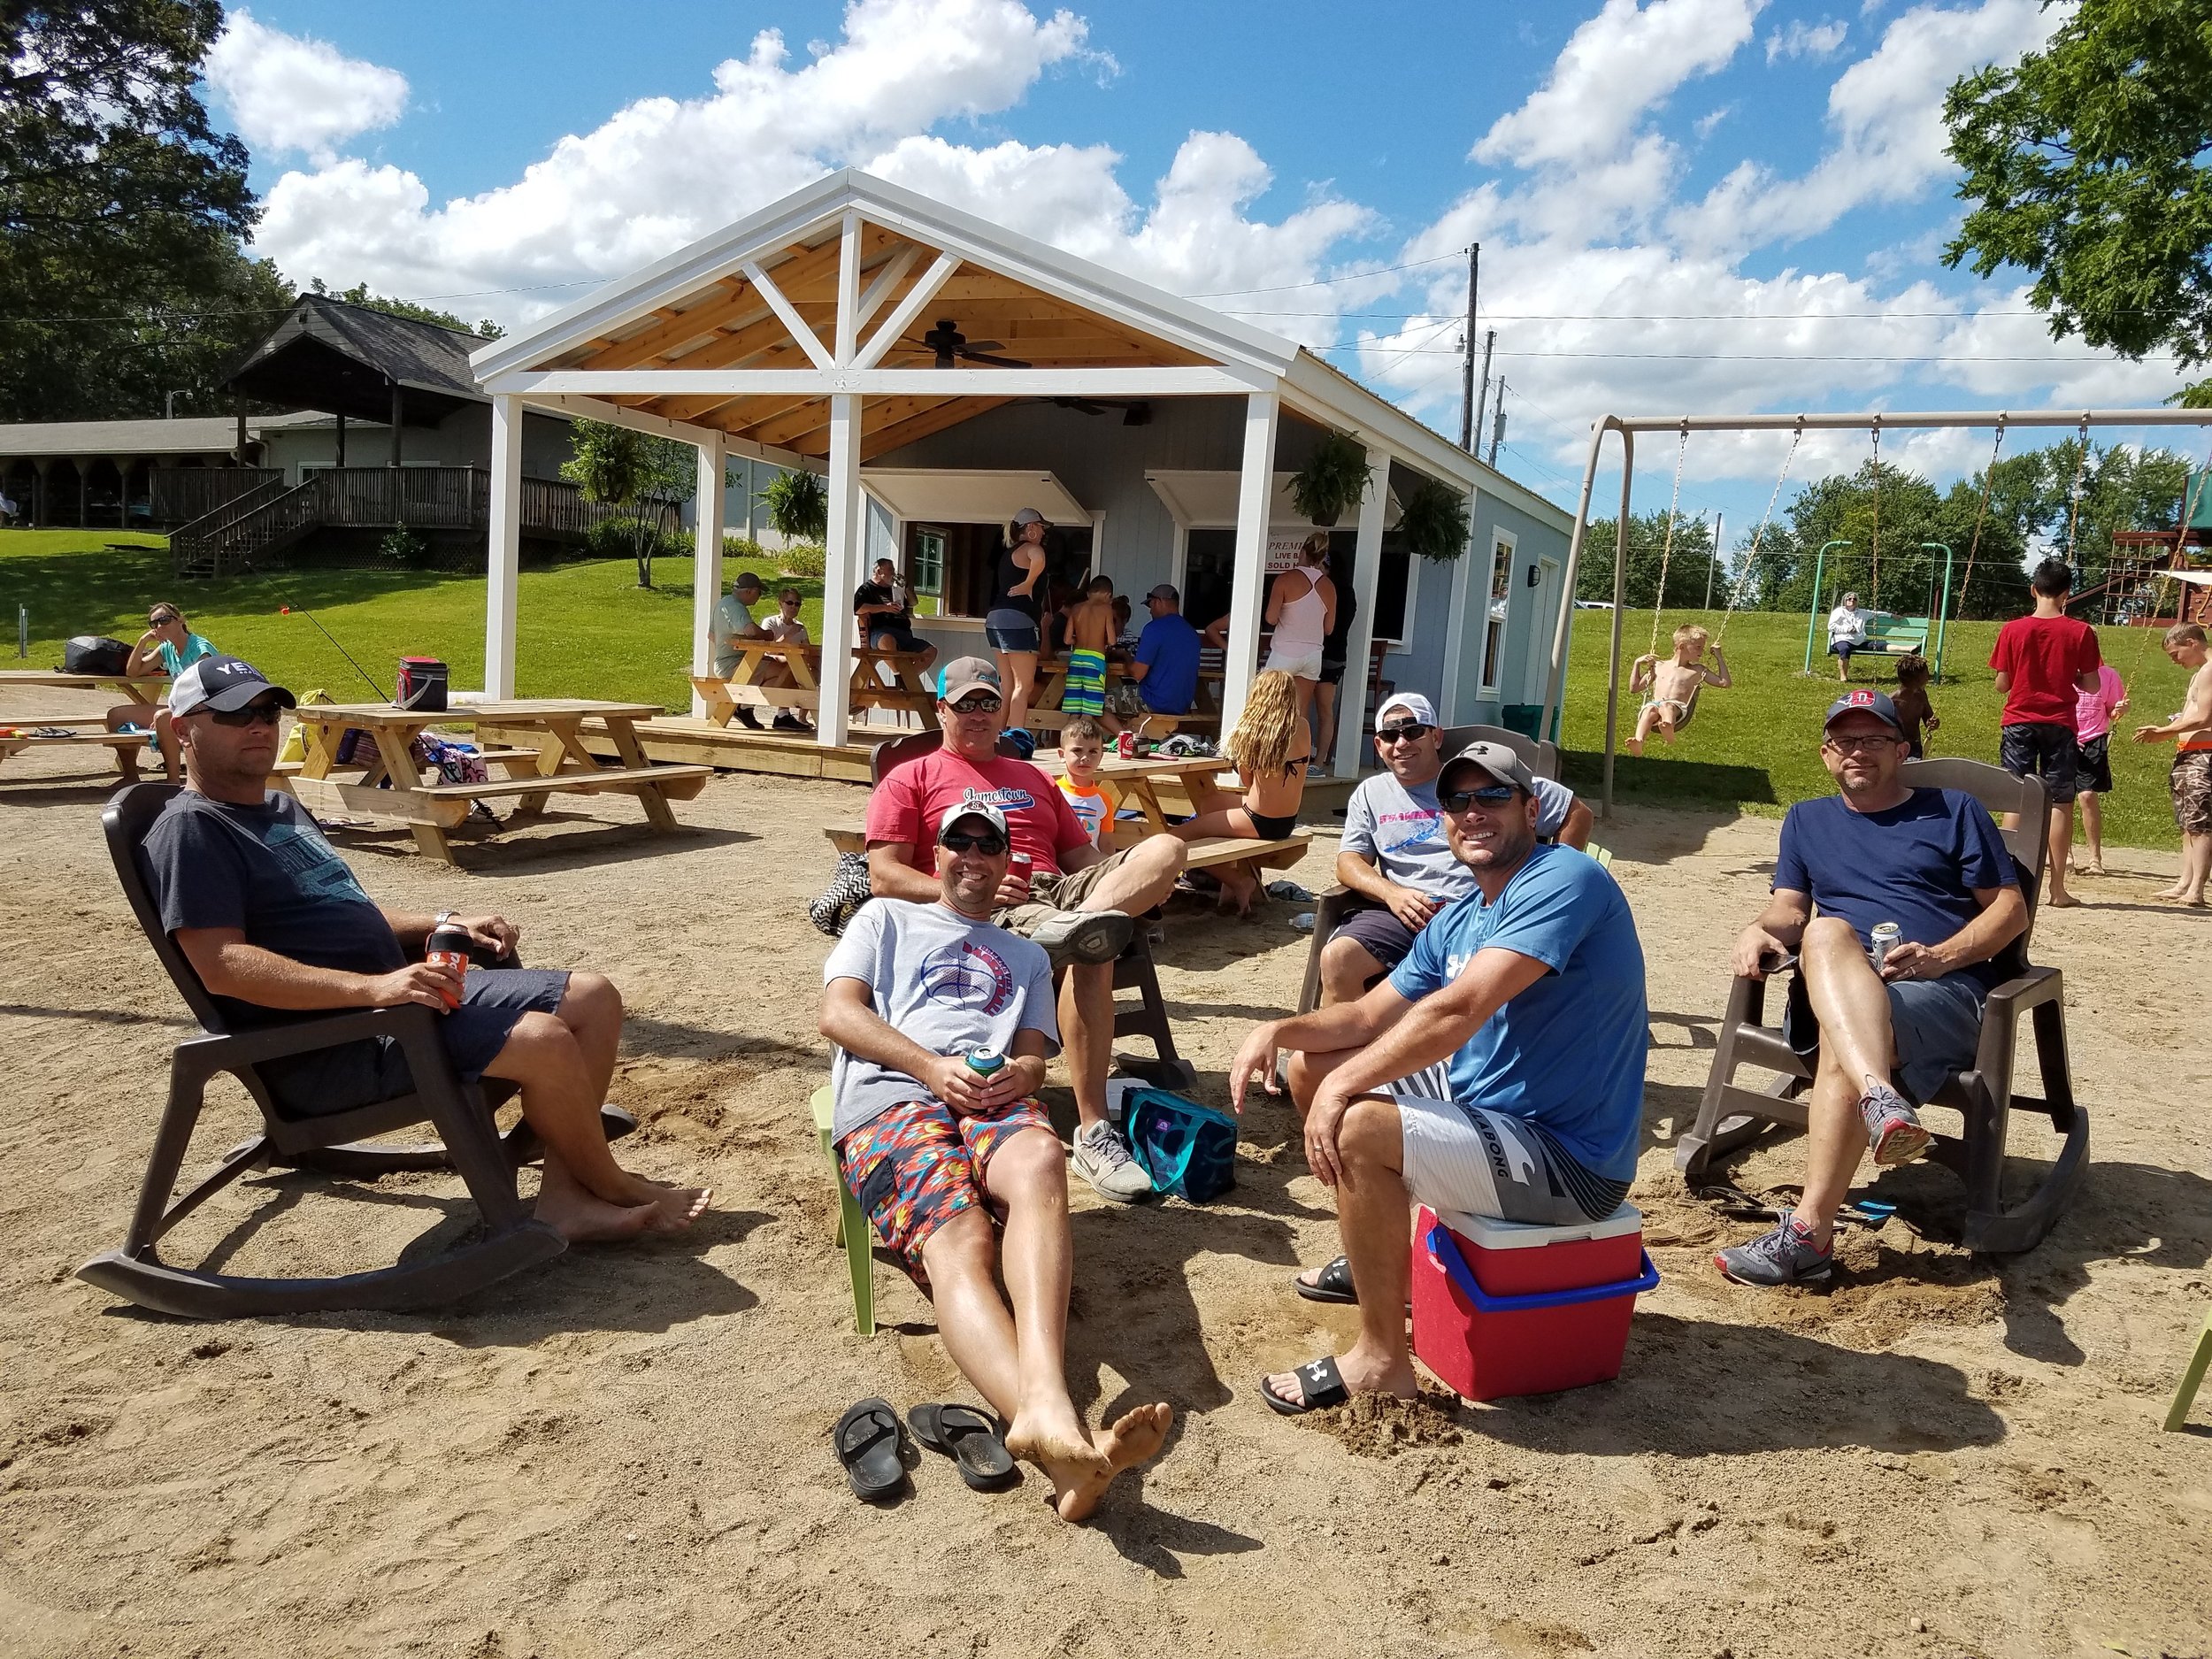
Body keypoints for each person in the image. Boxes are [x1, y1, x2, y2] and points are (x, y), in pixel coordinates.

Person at [139, 656, 709, 1242]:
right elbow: (222, 966)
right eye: (235, 713)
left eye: (266, 710)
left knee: (593, 996)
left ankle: (565, 1197)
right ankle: (613, 1183)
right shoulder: (192, 829)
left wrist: (443, 920)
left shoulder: (278, 808)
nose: (258, 725)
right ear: (183, 729)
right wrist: (376, 988)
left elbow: (343, 912)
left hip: (398, 1004)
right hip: (338, 1044)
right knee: (544, 1040)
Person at [1225, 740, 1647, 1412]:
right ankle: (1384, 1274)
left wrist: (1342, 1089)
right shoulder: (1461, 915)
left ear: (1532, 809)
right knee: (1315, 1065)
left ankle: (1381, 1361)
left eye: (1491, 797)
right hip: (1498, 1118)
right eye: (1457, 800)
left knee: (1357, 1122)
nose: (1472, 812)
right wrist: (1275, 1031)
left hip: (1570, 1158)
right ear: (1441, 817)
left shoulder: (1564, 876)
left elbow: (1459, 1008)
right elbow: (1365, 1015)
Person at [820, 802, 1172, 1518]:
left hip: (991, 1095)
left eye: (990, 844)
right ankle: (1061, 1435)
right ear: (937, 854)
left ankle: (1045, 1408)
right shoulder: (884, 918)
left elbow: (1036, 1054)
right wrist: (927, 1065)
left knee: (1043, 1156)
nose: (973, 855)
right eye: (959, 842)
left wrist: (1023, 1073)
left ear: (1010, 861)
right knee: (964, 1236)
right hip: (895, 1095)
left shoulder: (1027, 956)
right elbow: (839, 1015)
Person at [1716, 688, 2027, 1287]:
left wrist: (1940, 956)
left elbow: (2009, 911)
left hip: (1939, 992)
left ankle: (1808, 1233)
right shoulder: (1807, 819)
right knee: (1827, 930)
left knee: (1842, 1039)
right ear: (1826, 753)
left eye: (1874, 739)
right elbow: (1788, 909)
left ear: (1902, 749)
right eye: (1845, 740)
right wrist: (1755, 928)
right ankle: (1881, 1099)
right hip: (1842, 987)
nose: (1858, 751)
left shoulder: (1955, 810)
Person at [864, 658, 1187, 1202]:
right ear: (942, 710)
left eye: (988, 702)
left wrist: (1132, 879)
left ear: (1002, 710)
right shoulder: (912, 777)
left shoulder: (1033, 776)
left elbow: (1081, 856)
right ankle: (1092, 1130)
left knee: (1168, 848)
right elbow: (883, 875)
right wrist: (960, 893)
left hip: (1060, 893)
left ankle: (1082, 926)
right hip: (989, 905)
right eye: (964, 703)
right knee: (1096, 954)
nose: (977, 714)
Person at [1319, 692, 1592, 1008]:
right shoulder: (1371, 793)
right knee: (1339, 958)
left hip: (1483, 909)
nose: (1402, 743)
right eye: (1390, 735)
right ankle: (1346, 1053)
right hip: (1405, 912)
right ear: (1379, 746)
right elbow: (1348, 861)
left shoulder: (1473, 778)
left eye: (1413, 731)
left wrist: (1550, 880)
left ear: (1436, 736)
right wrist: (1391, 894)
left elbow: (1576, 814)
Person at [1991, 558, 2104, 908]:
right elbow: (2092, 683)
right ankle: (2056, 889)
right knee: (2060, 804)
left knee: (2015, 798)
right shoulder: (2081, 631)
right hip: (2061, 722)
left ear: (2033, 589)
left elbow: (2001, 684)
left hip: (2019, 720)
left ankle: (2009, 888)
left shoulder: (2013, 629)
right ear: (2067, 594)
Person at [1172, 669, 1309, 915]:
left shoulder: (1255, 732)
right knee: (1210, 803)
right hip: (1287, 821)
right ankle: (1228, 887)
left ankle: (1238, 881)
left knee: (1179, 836)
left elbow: (1247, 782)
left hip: (1258, 819)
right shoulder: (1303, 727)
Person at [2132, 622, 2212, 906]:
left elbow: (2204, 718)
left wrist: (2165, 732)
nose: (2175, 661)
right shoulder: (2202, 671)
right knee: (2188, 822)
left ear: (2192, 642)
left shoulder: (2211, 669)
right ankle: (2185, 882)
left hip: (2204, 754)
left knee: (2200, 823)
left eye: (2176, 654)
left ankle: (2197, 889)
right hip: (2189, 752)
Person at [106, 602, 219, 784]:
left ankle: (173, 781)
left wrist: (172, 712)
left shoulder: (199, 648)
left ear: (181, 620)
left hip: (204, 711)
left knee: (163, 717)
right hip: (179, 709)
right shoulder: (166, 648)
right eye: (154, 623)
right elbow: (133, 672)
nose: (159, 626)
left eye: (164, 620)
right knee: (116, 715)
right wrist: (143, 641)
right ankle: (130, 777)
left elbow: (209, 689)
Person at [987, 508, 1050, 743]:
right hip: (1018, 620)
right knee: (1025, 685)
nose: (1043, 533)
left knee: (1007, 684)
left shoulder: (1008, 553)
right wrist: (1029, 583)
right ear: (1031, 528)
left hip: (995, 620)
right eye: (1041, 527)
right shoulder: (1031, 548)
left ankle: (997, 736)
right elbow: (1039, 558)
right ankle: (1017, 740)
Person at [1263, 534, 1337, 728]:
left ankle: (1269, 756)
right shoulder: (1329, 586)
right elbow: (1329, 628)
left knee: (1269, 708)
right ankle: (1298, 757)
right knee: (1300, 712)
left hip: (1285, 652)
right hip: (1313, 655)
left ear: (1302, 552)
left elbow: (1270, 618)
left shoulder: (1285, 579)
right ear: (1322, 558)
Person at [1627, 624, 1731, 756]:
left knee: (1667, 705)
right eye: (1698, 647)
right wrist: (1637, 663)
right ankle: (1639, 741)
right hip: (1656, 705)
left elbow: (1724, 683)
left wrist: (1719, 657)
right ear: (1682, 646)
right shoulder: (1659, 666)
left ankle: (1668, 727)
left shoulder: (1697, 670)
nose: (1702, 651)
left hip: (1678, 710)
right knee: (1649, 709)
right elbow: (1634, 688)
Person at [711, 571, 789, 731]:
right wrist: (768, 635)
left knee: (775, 668)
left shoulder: (722, 604)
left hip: (724, 662)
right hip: (733, 665)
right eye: (759, 593)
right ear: (749, 591)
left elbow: (711, 635)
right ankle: (757, 710)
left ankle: (745, 708)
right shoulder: (736, 608)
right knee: (784, 671)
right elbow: (752, 631)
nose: (759, 597)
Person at [2070, 659, 2127, 874]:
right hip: (2065, 735)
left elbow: (2112, 710)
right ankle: (2066, 855)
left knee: (2087, 796)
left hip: (2093, 738)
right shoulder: (2063, 671)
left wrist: (2120, 710)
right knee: (2062, 798)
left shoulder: (2108, 674)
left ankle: (2095, 858)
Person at [1128, 584, 1202, 720]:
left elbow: (1137, 673)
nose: (1150, 612)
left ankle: (1125, 738)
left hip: (1154, 701)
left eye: (1151, 606)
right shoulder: (1192, 633)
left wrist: (1126, 658)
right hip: (1182, 706)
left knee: (1098, 704)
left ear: (1159, 601)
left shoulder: (1154, 629)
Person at [853, 557, 937, 672]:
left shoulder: (895, 589)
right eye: (890, 570)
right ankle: (900, 676)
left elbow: (913, 602)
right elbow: (858, 608)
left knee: (930, 652)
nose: (894, 574)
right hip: (880, 634)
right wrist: (885, 608)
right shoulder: (867, 589)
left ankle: (907, 680)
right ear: (879, 572)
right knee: (887, 639)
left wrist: (905, 587)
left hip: (905, 635)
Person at [1315, 552, 1358, 771]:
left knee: (1302, 710)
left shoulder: (1326, 590)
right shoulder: (1348, 593)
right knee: (1325, 711)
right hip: (1336, 655)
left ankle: (1302, 760)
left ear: (1329, 567)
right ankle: (1320, 761)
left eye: (1321, 565)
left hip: (1320, 653)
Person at [1054, 716, 1118, 852]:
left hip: (1090, 869)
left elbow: (1106, 842)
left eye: (1093, 752)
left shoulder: (1104, 799)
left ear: (1101, 757)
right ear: (1062, 755)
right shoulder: (1053, 792)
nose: (1085, 757)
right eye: (1077, 751)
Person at [757, 587, 815, 732]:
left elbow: (808, 650)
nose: (794, 607)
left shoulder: (801, 627)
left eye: (797, 604)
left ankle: (802, 717)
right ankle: (783, 714)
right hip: (773, 663)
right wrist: (789, 634)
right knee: (793, 666)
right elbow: (769, 649)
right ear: (780, 603)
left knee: (814, 669)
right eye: (790, 603)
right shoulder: (770, 622)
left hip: (795, 664)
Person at [1061, 575, 1117, 722]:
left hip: (1076, 659)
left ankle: (1069, 742)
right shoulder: (1106, 609)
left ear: (1089, 593)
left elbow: (1067, 639)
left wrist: (1080, 638)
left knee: (1074, 711)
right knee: (1088, 712)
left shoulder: (1076, 608)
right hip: (1095, 660)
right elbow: (1112, 640)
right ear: (1108, 595)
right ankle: (1083, 743)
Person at [1889, 653, 1939, 760]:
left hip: (1915, 746)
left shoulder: (1920, 695)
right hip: (1895, 747)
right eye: (1926, 674)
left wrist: (1932, 723)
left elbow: (1928, 718)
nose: (1928, 677)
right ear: (1915, 679)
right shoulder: (1892, 702)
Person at [1828, 591, 1867, 681]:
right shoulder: (1839, 611)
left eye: (1854, 599)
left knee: (1879, 644)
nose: (1852, 600)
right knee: (1844, 648)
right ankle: (1843, 676)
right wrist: (1847, 629)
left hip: (1858, 641)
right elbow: (1831, 626)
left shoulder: (1862, 613)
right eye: (1849, 598)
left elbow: (1877, 614)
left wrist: (1891, 615)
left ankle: (1906, 649)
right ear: (1844, 600)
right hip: (1841, 639)